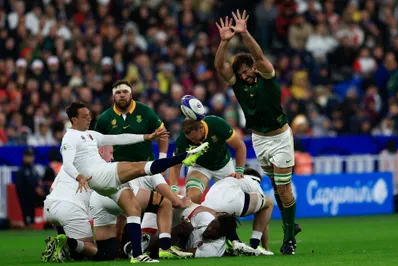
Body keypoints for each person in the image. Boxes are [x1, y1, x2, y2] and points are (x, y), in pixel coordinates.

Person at [43, 102, 209, 263]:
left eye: (89, 115)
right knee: (139, 167)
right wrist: (79, 177)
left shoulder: (91, 135)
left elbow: (119, 138)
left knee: (133, 209)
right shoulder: (70, 137)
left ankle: (137, 255)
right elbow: (67, 163)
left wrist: (146, 137)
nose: (89, 118)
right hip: (100, 175)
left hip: (102, 186)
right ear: (74, 119)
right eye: (85, 116)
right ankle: (185, 157)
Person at [214, 10, 298, 255]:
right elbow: (220, 66)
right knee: (274, 184)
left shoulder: (267, 77)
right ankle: (291, 227)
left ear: (254, 68)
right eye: (239, 72)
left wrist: (244, 33)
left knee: (284, 189)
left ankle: (289, 237)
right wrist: (225, 41)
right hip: (259, 138)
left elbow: (259, 56)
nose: (243, 74)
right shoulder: (239, 85)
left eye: (246, 69)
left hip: (280, 137)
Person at [95, 80, 188, 210]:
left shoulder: (145, 111)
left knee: (172, 202)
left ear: (131, 94)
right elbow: (95, 144)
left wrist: (161, 160)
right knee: (130, 211)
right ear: (113, 96)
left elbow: (162, 133)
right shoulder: (105, 118)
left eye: (125, 92)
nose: (122, 95)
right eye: (118, 92)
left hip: (148, 167)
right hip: (123, 172)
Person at [169, 116, 246, 203]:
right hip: (200, 167)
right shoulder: (182, 140)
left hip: (224, 165)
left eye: (195, 138)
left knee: (230, 201)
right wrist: (173, 188)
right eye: (190, 139)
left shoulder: (217, 124)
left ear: (201, 128)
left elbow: (240, 146)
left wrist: (239, 170)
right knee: (192, 198)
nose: (194, 142)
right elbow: (175, 166)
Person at [202, 168, 274, 256]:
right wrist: (266, 247)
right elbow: (263, 220)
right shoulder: (253, 182)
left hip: (206, 207)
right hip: (230, 204)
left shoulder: (226, 180)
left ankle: (234, 242)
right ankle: (254, 245)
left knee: (226, 217)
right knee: (269, 203)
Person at [14, 147, 44, 228]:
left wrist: (39, 189)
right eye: (28, 156)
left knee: (33, 222)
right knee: (28, 222)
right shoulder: (21, 171)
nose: (30, 158)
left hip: (34, 200)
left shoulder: (34, 170)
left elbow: (38, 181)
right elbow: (20, 188)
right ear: (24, 157)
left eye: (31, 156)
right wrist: (33, 190)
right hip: (26, 200)